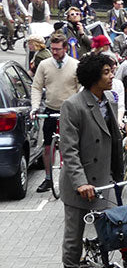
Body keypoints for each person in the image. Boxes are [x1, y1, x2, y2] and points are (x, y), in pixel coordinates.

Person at [58, 53, 122, 268]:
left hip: (104, 181)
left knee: (119, 227)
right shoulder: (72, 106)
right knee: (73, 241)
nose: (111, 76)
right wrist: (81, 183)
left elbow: (114, 139)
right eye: (107, 72)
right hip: (79, 186)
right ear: (94, 76)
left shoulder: (109, 99)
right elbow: (69, 151)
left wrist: (118, 176)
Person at [30, 33, 79, 192]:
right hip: (51, 109)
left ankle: (73, 178)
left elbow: (80, 89)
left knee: (72, 146)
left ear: (66, 48)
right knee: (47, 146)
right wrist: (35, 107)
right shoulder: (44, 65)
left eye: (58, 49)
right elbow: (37, 87)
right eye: (52, 49)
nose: (55, 52)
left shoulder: (75, 65)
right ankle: (48, 178)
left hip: (70, 111)